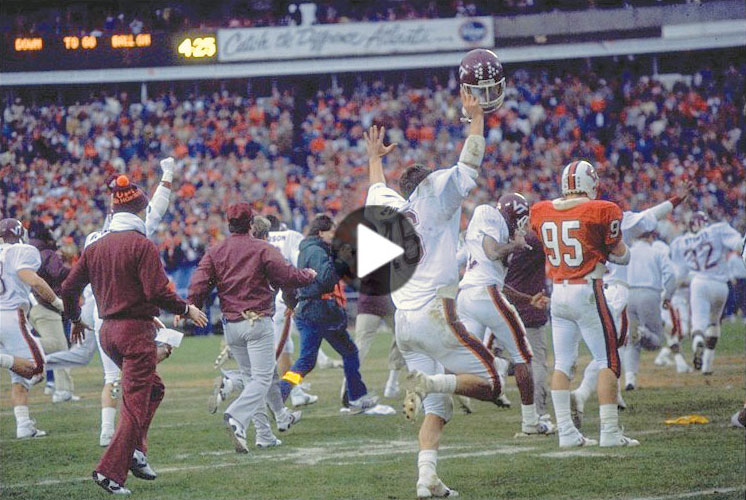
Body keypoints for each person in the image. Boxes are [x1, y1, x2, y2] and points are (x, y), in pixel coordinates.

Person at [364, 89, 506, 497]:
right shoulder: (435, 191)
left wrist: (375, 158)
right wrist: (476, 116)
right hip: (432, 313)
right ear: (427, 182)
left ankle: (427, 479)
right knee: (493, 381)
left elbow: (377, 186)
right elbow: (470, 161)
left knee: (438, 408)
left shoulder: (392, 206)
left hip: (405, 323)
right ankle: (430, 382)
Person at [61, 175, 207, 495]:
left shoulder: (96, 246)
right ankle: (110, 472)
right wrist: (185, 310)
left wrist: (73, 317)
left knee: (153, 390)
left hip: (107, 332)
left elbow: (69, 287)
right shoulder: (141, 245)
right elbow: (158, 291)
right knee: (133, 405)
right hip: (134, 332)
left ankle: (137, 451)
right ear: (140, 211)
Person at [46, 157, 177, 447]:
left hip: (99, 309)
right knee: (139, 371)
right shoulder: (133, 237)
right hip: (123, 310)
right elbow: (157, 209)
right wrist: (167, 174)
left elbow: (72, 285)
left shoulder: (95, 239)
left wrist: (76, 316)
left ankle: (107, 430)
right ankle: (124, 437)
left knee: (111, 374)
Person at [189, 203, 316, 453]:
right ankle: (236, 416)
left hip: (231, 325)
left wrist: (191, 306)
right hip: (257, 321)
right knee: (262, 378)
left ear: (228, 224)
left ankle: (264, 435)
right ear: (250, 224)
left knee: (252, 381)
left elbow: (199, 281)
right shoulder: (262, 249)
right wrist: (309, 275)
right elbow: (287, 276)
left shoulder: (216, 251)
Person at [530, 159, 638, 448]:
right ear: (591, 182)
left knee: (563, 363)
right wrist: (603, 251)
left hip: (558, 292)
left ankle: (566, 432)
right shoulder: (602, 209)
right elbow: (623, 255)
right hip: (587, 289)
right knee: (608, 360)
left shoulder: (541, 210)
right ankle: (610, 433)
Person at [569, 188, 690, 429]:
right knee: (612, 349)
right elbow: (651, 216)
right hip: (615, 292)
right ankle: (582, 393)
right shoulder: (618, 220)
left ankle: (614, 394)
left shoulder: (575, 219)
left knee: (605, 347)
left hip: (585, 289)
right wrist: (676, 199)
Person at [457, 193, 554, 436]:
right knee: (523, 357)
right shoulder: (490, 215)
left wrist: (527, 299)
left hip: (469, 295)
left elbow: (499, 282)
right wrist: (516, 244)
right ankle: (530, 422)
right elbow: (491, 252)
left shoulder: (497, 229)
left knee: (464, 362)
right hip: (482, 293)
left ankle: (430, 385)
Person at [278, 214, 378, 412]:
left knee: (305, 362)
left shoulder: (307, 249)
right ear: (321, 232)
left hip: (307, 310)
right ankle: (356, 398)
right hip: (322, 310)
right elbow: (326, 279)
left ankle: (280, 393)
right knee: (350, 352)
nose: (335, 235)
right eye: (332, 232)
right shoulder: (317, 252)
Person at [0, 218, 62, 439]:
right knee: (37, 368)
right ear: (19, 233)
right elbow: (32, 280)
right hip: (11, 315)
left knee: (19, 375)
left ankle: (24, 425)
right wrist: (56, 302)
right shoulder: (21, 251)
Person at [671, 212, 743, 374]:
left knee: (698, 323)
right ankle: (707, 366)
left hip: (699, 282)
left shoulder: (681, 242)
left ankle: (697, 341)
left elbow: (679, 273)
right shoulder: (717, 230)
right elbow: (738, 244)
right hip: (720, 285)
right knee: (714, 322)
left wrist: (669, 292)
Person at [503, 229, 553, 424]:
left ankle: (499, 370)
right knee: (537, 362)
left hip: (506, 307)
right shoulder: (532, 241)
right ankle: (539, 411)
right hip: (531, 306)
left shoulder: (502, 243)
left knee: (513, 357)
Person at [623, 232, 678, 390]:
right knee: (657, 342)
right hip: (649, 294)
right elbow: (671, 276)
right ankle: (642, 332)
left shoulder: (628, 251)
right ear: (650, 236)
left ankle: (629, 380)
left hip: (629, 294)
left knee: (632, 343)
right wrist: (668, 296)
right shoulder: (657, 252)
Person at [27, 224, 75, 403]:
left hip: (33, 305)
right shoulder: (47, 253)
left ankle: (61, 390)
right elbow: (58, 272)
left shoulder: (28, 251)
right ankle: (22, 347)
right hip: (47, 304)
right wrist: (77, 270)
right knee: (60, 348)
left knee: (57, 349)